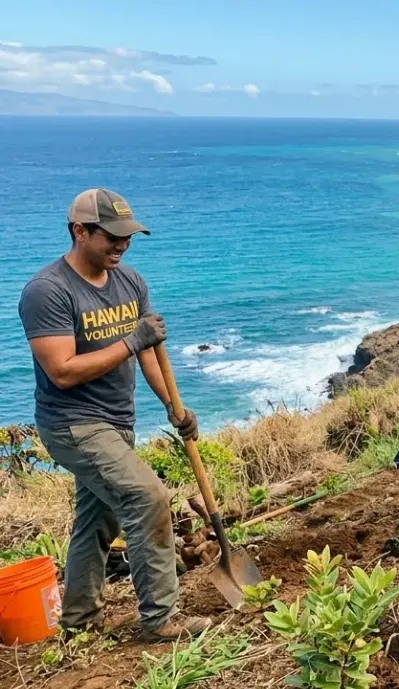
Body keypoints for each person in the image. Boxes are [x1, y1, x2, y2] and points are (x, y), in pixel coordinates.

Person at [18, 189, 212, 640]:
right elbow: (62, 371)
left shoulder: (130, 282)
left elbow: (149, 356)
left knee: (97, 519)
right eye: (112, 236)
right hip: (72, 424)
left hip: (116, 421)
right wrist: (131, 340)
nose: (123, 245)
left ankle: (79, 620)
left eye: (129, 236)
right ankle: (160, 621)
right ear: (79, 231)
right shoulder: (47, 292)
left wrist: (173, 406)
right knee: (148, 498)